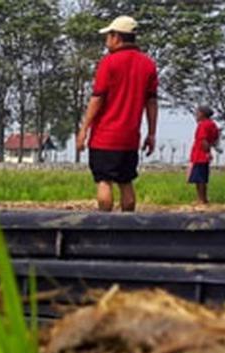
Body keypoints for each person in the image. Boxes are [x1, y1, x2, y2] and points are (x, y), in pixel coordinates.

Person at [75, 15, 158, 212]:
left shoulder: (109, 62)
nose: (107, 41)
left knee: (104, 181)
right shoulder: (148, 64)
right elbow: (152, 102)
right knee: (126, 181)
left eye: (108, 36)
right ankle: (129, 224)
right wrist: (151, 133)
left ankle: (105, 223)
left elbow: (98, 98)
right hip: (130, 138)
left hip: (105, 136)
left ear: (117, 37)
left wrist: (84, 129)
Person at [189, 105, 221, 205]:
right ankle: (202, 199)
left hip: (200, 155)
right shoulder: (212, 124)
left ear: (203, 114)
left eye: (198, 113)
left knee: (199, 179)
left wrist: (206, 152)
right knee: (202, 178)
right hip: (204, 155)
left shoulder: (203, 125)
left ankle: (201, 199)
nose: (196, 115)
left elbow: (203, 140)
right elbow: (215, 138)